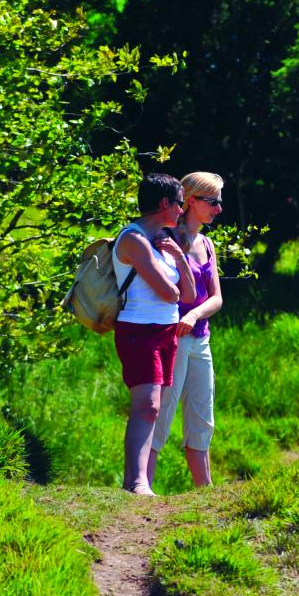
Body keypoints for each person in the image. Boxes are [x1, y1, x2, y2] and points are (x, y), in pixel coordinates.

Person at [112, 173, 196, 496]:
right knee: (146, 404)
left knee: (154, 407)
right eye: (178, 203)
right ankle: (137, 482)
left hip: (165, 332)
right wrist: (173, 282)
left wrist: (179, 260)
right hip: (138, 330)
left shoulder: (164, 241)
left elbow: (186, 294)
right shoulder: (133, 239)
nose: (180, 211)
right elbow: (168, 293)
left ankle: (135, 481)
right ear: (163, 204)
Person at [148, 171, 223, 488]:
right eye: (213, 201)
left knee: (203, 419)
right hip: (171, 341)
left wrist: (194, 316)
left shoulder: (207, 244)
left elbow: (217, 298)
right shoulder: (164, 240)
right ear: (191, 200)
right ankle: (141, 487)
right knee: (161, 414)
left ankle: (205, 496)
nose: (218, 209)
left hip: (199, 341)